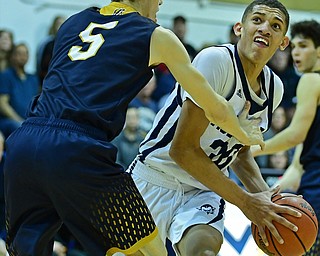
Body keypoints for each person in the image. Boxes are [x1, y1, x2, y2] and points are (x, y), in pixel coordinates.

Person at [3, 0, 264, 255]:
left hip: (24, 143)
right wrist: (243, 133)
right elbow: (214, 106)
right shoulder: (155, 35)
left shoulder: (74, 22)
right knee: (150, 251)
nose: (161, 2)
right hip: (77, 150)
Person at [128, 0, 302, 255]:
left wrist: (267, 203)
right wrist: (246, 202)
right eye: (257, 20)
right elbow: (182, 150)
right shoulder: (216, 61)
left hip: (202, 188)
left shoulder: (274, 89)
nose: (265, 28)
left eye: (275, 26)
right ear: (239, 28)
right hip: (154, 176)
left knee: (204, 252)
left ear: (283, 43)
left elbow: (239, 154)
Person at [252, 19, 320, 255]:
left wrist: (252, 150)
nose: (296, 53)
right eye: (295, 47)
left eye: (304, 46)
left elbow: (295, 135)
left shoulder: (311, 79)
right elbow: (300, 158)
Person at [0, 43, 40, 138]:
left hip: (29, 121)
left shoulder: (33, 78)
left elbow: (38, 102)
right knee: (20, 127)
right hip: (10, 121)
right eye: (19, 53)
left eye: (26, 54)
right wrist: (19, 120)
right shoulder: (5, 76)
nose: (23, 57)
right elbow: (3, 104)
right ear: (12, 56)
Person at [36, 15, 66, 85]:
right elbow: (40, 65)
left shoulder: (70, 44)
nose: (61, 26)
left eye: (64, 24)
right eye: (59, 24)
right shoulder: (46, 43)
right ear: (54, 26)